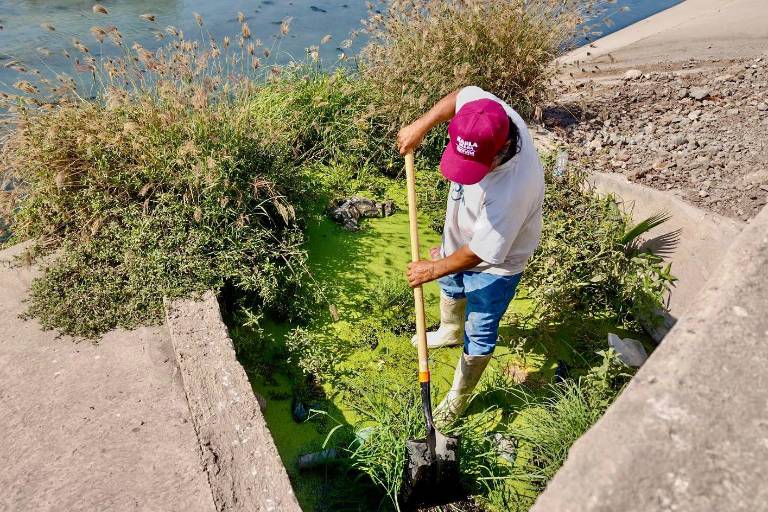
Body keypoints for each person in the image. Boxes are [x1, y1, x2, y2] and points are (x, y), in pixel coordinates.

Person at [397, 86, 544, 422]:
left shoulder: (513, 188)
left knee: (480, 326)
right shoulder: (487, 112)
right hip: (462, 231)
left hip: (498, 264)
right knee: (451, 285)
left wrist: (432, 269)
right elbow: (461, 95)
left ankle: (459, 396)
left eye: (473, 165)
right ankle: (449, 331)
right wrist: (421, 125)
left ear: (501, 150)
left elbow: (480, 253)